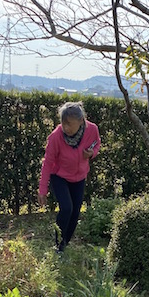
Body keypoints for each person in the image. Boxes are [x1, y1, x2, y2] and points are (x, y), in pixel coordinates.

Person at [38, 101, 101, 252]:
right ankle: (57, 244)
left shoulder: (92, 129)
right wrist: (42, 189)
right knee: (66, 208)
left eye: (69, 124)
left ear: (81, 121)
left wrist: (92, 153)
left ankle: (64, 246)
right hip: (59, 176)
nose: (65, 128)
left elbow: (96, 143)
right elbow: (48, 163)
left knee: (75, 212)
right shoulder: (55, 137)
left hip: (79, 177)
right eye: (63, 123)